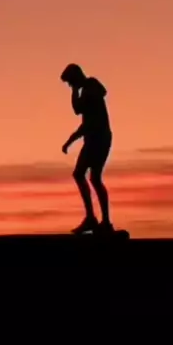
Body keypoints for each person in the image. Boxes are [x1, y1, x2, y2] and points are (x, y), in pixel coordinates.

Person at [60, 63, 114, 234]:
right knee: (93, 178)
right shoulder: (89, 89)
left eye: (70, 82)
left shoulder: (91, 87)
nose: (70, 86)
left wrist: (75, 91)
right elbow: (84, 120)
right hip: (96, 138)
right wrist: (70, 141)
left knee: (82, 175)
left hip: (98, 139)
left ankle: (97, 219)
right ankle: (100, 220)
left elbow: (78, 110)